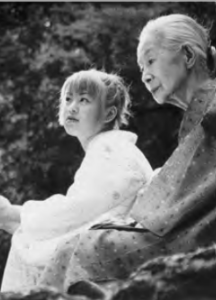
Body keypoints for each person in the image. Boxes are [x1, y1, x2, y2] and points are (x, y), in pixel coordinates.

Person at [51, 13, 216, 296]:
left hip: (193, 236)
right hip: (181, 229)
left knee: (77, 249)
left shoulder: (210, 106)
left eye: (150, 61)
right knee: (77, 245)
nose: (145, 75)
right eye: (141, 68)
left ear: (187, 55)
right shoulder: (197, 113)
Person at [0, 69, 153, 292]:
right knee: (24, 235)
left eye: (84, 100)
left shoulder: (110, 150)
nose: (72, 106)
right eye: (68, 99)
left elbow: (77, 211)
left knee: (27, 243)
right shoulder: (107, 148)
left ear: (108, 114)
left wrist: (12, 212)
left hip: (113, 250)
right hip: (109, 245)